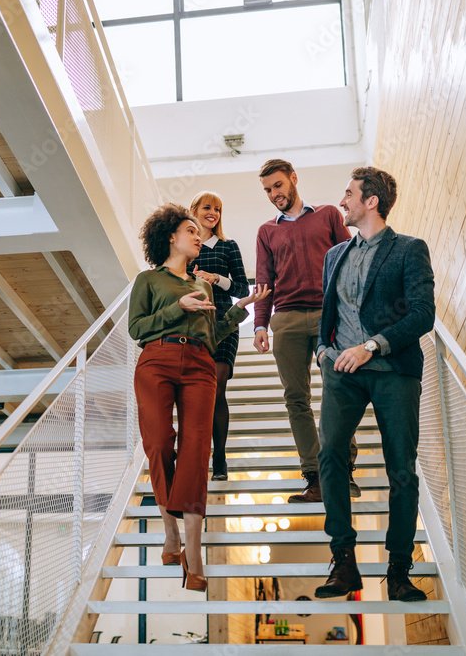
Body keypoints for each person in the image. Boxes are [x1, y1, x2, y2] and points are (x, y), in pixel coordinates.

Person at [129, 203, 269, 593]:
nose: (197, 236)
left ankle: (194, 552)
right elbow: (135, 327)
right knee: (158, 443)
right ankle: (170, 534)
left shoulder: (203, 285)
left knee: (196, 451)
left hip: (200, 364)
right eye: (190, 230)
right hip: (156, 359)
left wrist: (238, 311)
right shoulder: (149, 281)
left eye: (198, 231)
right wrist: (178, 307)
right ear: (170, 237)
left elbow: (212, 334)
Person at [312, 167, 435, 602]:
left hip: (393, 371)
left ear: (371, 202)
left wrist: (372, 346)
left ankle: (399, 569)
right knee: (329, 455)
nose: (341, 201)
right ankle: (343, 561)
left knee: (400, 466)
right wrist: (323, 353)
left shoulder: (408, 250)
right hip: (341, 374)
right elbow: (324, 316)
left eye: (349, 194)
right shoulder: (334, 256)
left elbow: (422, 314)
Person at [253, 159, 358, 502]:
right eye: (268, 190)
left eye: (278, 186)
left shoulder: (327, 214)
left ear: (294, 179)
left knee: (339, 391)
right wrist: (259, 324)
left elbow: (350, 262)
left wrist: (353, 310)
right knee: (296, 399)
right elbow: (265, 281)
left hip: (331, 315)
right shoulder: (267, 231)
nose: (274, 194)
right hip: (286, 319)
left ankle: (341, 472)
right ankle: (314, 477)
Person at [186, 191, 250, 481]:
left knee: (217, 388)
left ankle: (220, 457)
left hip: (225, 322)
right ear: (195, 211)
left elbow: (241, 289)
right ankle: (199, 453)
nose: (213, 213)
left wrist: (217, 279)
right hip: (193, 325)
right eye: (207, 207)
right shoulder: (187, 246)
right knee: (198, 394)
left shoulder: (228, 246)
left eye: (218, 209)